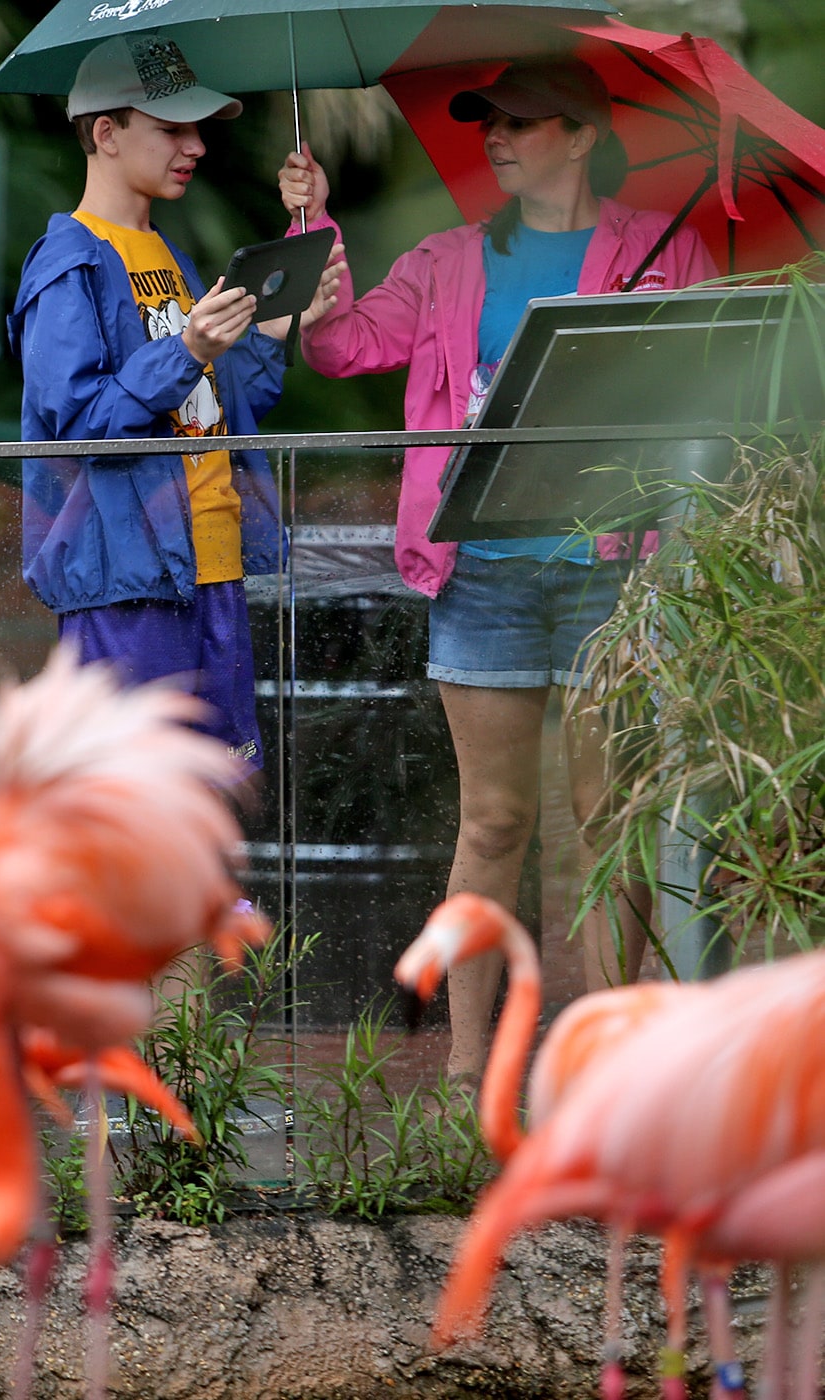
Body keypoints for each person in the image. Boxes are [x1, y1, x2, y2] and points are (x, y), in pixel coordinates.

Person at [285, 57, 718, 1079]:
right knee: (494, 822)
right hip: (480, 573)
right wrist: (316, 228)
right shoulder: (443, 261)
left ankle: (617, 1074)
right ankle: (467, 1074)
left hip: (618, 573)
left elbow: (724, 382)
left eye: (522, 123)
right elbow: (340, 348)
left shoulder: (669, 250)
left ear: (581, 135)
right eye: (490, 122)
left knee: (607, 827)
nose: (496, 137)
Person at [8, 35, 335, 771]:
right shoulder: (68, 261)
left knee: (220, 785)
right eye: (171, 129)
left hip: (211, 564)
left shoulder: (171, 255)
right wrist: (186, 350)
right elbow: (79, 425)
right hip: (126, 581)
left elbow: (214, 403)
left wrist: (279, 328)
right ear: (104, 133)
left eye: (197, 129)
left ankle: (217, 897)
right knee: (130, 797)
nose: (195, 147)